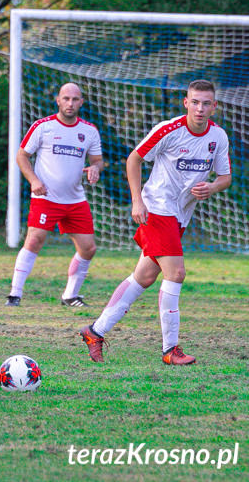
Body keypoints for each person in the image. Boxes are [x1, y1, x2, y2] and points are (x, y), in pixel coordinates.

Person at [80, 79, 231, 365]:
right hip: (157, 208)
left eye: (206, 103)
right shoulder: (169, 129)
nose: (200, 108)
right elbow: (134, 159)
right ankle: (170, 350)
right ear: (186, 103)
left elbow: (226, 178)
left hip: (180, 215)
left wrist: (212, 187)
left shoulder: (218, 137)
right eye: (195, 102)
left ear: (215, 107)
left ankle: (94, 331)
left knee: (144, 277)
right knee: (176, 274)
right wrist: (137, 200)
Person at [6, 82, 103, 307]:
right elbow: (22, 156)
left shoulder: (89, 131)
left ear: (81, 102)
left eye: (75, 99)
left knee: (88, 248)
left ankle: (70, 295)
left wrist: (96, 168)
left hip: (75, 199)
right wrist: (34, 181)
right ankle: (15, 294)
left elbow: (97, 161)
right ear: (58, 100)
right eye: (66, 98)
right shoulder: (43, 126)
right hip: (46, 197)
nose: (70, 103)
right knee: (34, 239)